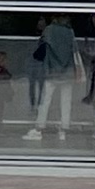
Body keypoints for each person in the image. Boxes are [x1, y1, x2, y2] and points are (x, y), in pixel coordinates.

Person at [35, 10, 80, 141]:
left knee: (46, 99)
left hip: (52, 70)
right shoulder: (69, 31)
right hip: (67, 71)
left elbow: (41, 45)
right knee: (66, 101)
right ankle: (64, 128)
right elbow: (75, 50)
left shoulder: (49, 30)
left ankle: (40, 127)